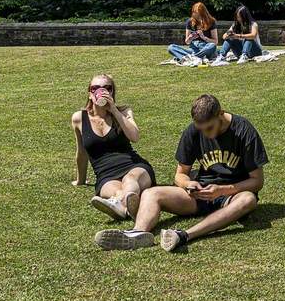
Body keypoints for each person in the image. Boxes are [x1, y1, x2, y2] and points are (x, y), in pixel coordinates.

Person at [93, 94, 267, 252]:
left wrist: (222, 190)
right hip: (200, 194)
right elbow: (180, 175)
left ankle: (184, 235)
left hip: (233, 195)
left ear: (221, 114)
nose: (205, 134)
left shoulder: (243, 131)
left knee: (248, 200)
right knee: (151, 193)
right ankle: (137, 234)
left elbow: (257, 181)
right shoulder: (193, 132)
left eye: (209, 128)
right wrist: (188, 184)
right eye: (201, 129)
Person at [71, 74, 156, 221]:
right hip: (105, 174)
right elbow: (82, 152)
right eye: (95, 88)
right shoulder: (79, 118)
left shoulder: (123, 112)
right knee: (118, 191)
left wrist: (114, 111)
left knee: (130, 181)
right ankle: (126, 207)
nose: (101, 91)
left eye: (107, 88)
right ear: (90, 94)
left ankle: (119, 207)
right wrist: (80, 180)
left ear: (112, 93)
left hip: (133, 166)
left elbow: (135, 137)